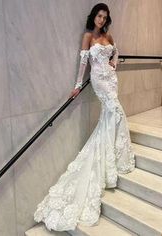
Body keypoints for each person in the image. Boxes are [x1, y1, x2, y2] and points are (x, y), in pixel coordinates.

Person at [34, 3, 135, 231]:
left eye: (104, 17)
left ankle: (112, 153)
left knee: (114, 114)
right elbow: (83, 61)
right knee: (114, 111)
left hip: (110, 78)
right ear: (94, 17)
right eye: (99, 16)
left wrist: (114, 63)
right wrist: (79, 85)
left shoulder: (108, 35)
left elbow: (116, 51)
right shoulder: (88, 36)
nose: (101, 19)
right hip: (98, 81)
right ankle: (109, 154)